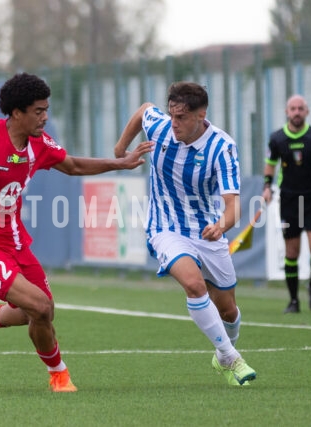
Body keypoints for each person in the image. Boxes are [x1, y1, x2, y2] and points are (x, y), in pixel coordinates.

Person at [0, 72, 153, 392]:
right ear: (17, 112)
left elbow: (72, 166)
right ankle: (59, 375)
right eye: (38, 111)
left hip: (14, 242)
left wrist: (121, 164)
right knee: (39, 307)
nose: (46, 117)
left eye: (47, 110)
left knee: (42, 312)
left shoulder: (39, 144)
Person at [114, 82, 256, 387]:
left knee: (228, 310)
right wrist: (119, 150)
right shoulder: (162, 127)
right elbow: (143, 111)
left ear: (201, 115)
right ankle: (231, 357)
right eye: (171, 115)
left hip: (207, 231)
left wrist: (221, 225)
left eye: (181, 117)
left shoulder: (222, 147)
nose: (173, 123)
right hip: (164, 227)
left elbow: (234, 205)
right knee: (193, 284)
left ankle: (223, 354)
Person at [262, 94, 311, 314]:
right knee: (292, 253)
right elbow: (270, 165)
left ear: (307, 112)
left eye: (300, 108)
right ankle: (293, 301)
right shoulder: (277, 139)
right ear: (287, 112)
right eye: (293, 109)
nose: (296, 112)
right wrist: (266, 188)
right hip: (289, 199)